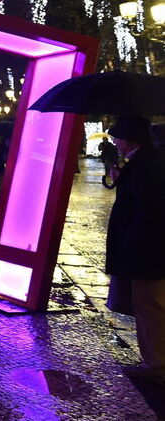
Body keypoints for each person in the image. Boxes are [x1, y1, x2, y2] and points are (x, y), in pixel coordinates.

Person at [103, 115, 165, 381]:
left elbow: (149, 209)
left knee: (149, 307)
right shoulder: (144, 161)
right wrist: (121, 177)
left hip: (147, 251)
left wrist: (131, 245)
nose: (115, 143)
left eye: (117, 138)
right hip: (150, 250)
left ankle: (156, 366)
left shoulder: (145, 165)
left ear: (127, 140)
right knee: (151, 306)